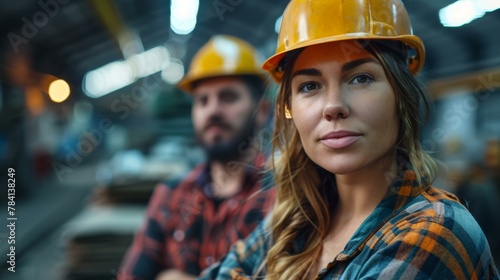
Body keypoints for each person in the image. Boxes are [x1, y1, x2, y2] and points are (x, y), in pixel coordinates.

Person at [199, 0, 499, 279]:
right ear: (289, 106)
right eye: (310, 86)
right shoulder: (295, 220)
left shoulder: (435, 232)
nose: (333, 106)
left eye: (361, 78)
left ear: (401, 95)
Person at [117, 35, 275, 280]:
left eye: (229, 97)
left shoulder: (286, 196)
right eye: (202, 100)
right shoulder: (171, 196)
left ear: (262, 110)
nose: (212, 110)